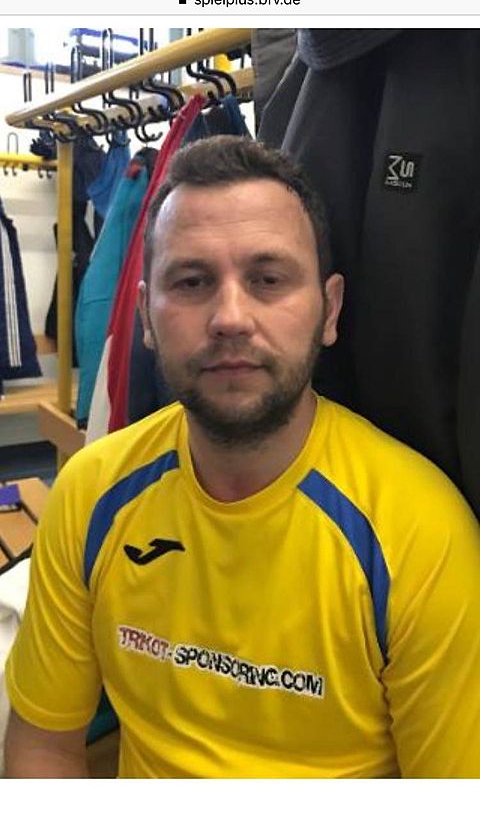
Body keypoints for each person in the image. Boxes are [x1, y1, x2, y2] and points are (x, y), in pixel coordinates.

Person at [5, 136, 480, 779]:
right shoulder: (91, 491)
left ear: (330, 310)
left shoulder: (421, 535)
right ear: (145, 316)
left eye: (268, 279)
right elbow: (43, 746)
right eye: (193, 281)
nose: (230, 317)